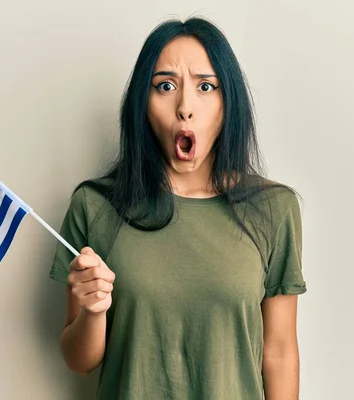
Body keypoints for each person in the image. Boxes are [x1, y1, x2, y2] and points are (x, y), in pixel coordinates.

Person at [49, 16, 307, 400]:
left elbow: (280, 351)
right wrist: (94, 311)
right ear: (143, 102)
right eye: (165, 86)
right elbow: (78, 360)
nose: (185, 106)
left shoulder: (274, 208)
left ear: (228, 101)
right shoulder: (95, 205)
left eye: (206, 86)